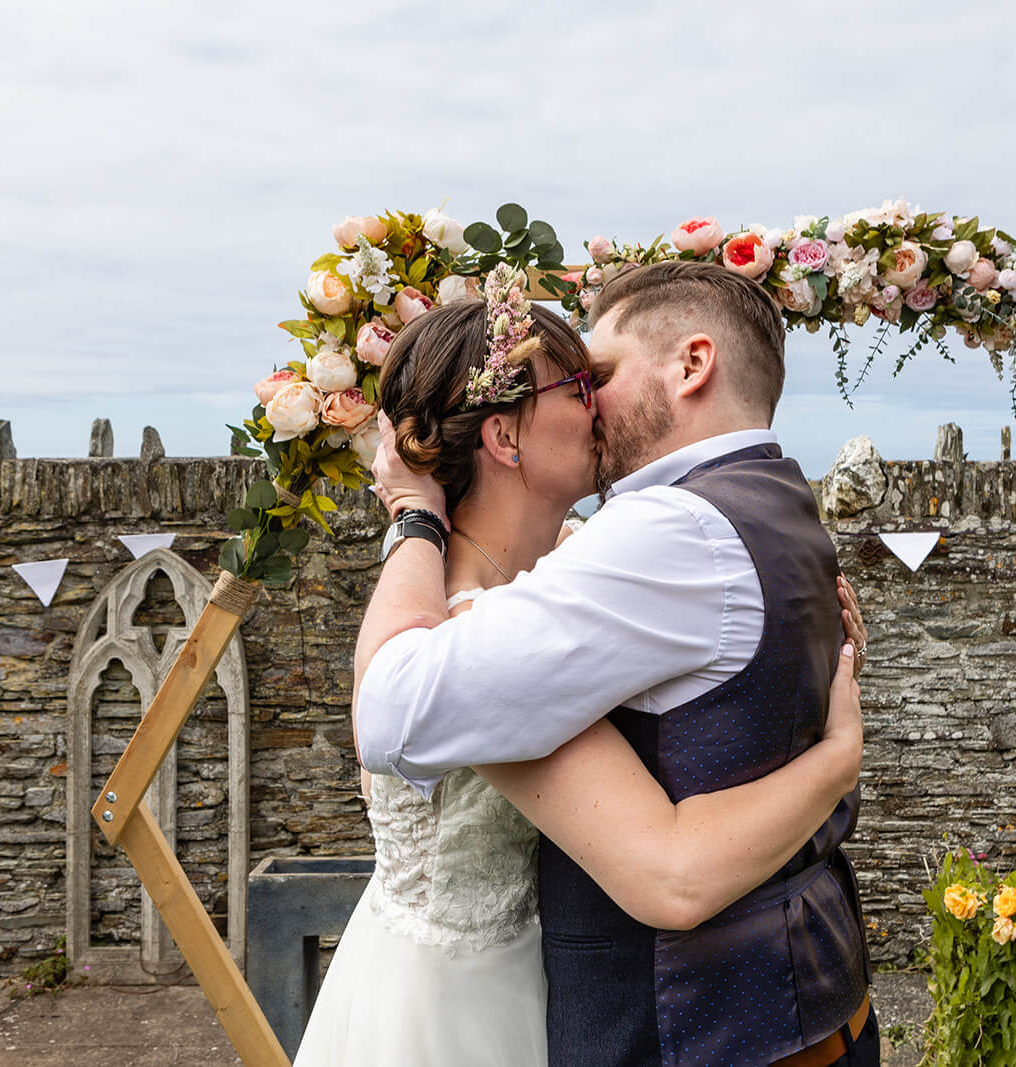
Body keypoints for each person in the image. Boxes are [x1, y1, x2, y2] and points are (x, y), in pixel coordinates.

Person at [295, 267, 869, 1066]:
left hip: (548, 993)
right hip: (457, 1007)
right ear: (505, 438)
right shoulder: (472, 621)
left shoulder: (578, 572)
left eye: (598, 375)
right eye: (578, 385)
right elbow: (386, 713)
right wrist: (838, 760)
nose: (593, 402)